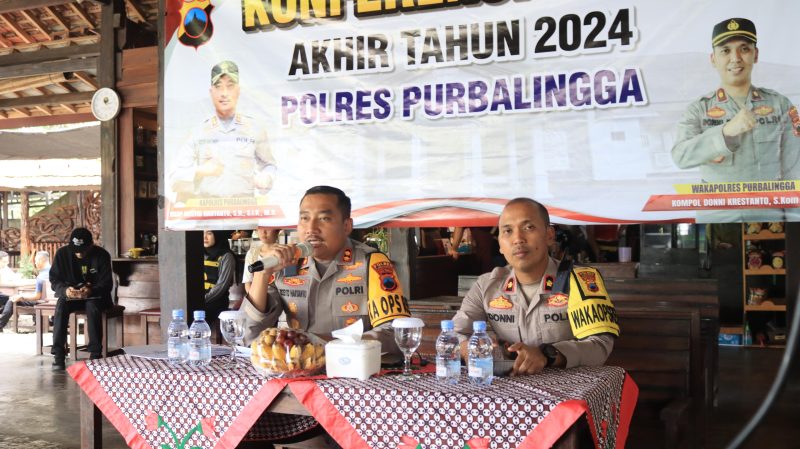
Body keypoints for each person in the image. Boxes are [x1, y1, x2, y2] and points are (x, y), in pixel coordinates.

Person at [452, 198, 618, 376]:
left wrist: (549, 355)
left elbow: (601, 345)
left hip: (569, 393)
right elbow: (453, 334)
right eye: (507, 231)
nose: (517, 239)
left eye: (528, 227)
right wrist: (466, 347)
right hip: (508, 391)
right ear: (500, 244)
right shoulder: (487, 286)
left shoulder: (580, 280)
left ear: (549, 235)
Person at [242, 185, 411, 358]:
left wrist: (321, 345)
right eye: (304, 219)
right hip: (297, 373)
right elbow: (249, 336)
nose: (311, 229)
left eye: (324, 219)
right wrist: (262, 275)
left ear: (346, 226)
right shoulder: (286, 263)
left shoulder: (371, 264)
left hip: (354, 375)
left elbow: (397, 335)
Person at [671, 18, 800, 222]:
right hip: (718, 215)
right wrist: (724, 133)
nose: (735, 58)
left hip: (768, 214)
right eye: (725, 51)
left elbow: (795, 169)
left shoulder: (780, 105)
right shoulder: (699, 109)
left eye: (744, 49)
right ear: (713, 58)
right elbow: (680, 155)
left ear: (755, 55)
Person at [169, 60, 276, 199]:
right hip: (209, 214)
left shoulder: (255, 129)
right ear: (211, 92)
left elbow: (269, 164)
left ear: (238, 91)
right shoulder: (198, 132)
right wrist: (201, 171)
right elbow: (174, 178)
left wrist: (267, 177)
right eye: (218, 87)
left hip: (244, 214)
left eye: (230, 86)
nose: (224, 93)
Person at [49, 228, 113, 370]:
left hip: (96, 296)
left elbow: (107, 283)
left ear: (91, 245)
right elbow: (54, 280)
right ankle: (58, 355)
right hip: (72, 296)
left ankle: (95, 354)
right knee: (61, 305)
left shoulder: (102, 255)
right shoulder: (62, 254)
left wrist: (91, 290)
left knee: (92, 306)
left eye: (83, 250)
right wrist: (65, 291)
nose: (79, 253)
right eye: (75, 249)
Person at [0, 251, 51, 331]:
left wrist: (21, 296)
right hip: (52, 300)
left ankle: (0, 325)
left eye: (35, 261)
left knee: (12, 299)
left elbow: (37, 296)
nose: (35, 263)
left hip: (42, 301)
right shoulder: (54, 271)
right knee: (13, 298)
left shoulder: (41, 276)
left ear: (41, 260)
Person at [203, 230, 237, 322]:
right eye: (202, 233)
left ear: (218, 234)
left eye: (209, 233)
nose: (204, 237)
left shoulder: (226, 256)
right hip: (199, 301)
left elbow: (221, 286)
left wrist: (202, 299)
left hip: (216, 302)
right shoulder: (197, 253)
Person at [242, 227, 281, 294]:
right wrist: (255, 299)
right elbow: (248, 283)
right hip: (256, 296)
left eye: (268, 227)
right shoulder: (252, 253)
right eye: (260, 228)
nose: (263, 232)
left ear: (277, 230)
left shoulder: (283, 252)